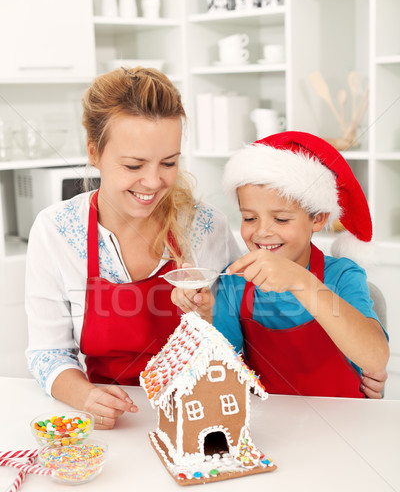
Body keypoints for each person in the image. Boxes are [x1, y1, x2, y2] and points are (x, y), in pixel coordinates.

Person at [25, 67, 242, 428]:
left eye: (169, 163)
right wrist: (85, 396)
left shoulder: (206, 227)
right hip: (114, 427)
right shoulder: (56, 232)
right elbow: (49, 353)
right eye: (133, 165)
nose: (154, 181)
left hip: (197, 417)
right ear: (94, 151)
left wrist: (209, 316)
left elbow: (243, 338)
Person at [172, 131, 389, 398]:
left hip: (343, 429)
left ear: (318, 219)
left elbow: (376, 358)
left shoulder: (343, 275)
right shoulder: (235, 283)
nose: (262, 232)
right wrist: (204, 315)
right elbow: (219, 371)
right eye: (250, 218)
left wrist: (301, 281)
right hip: (272, 430)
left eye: (282, 219)